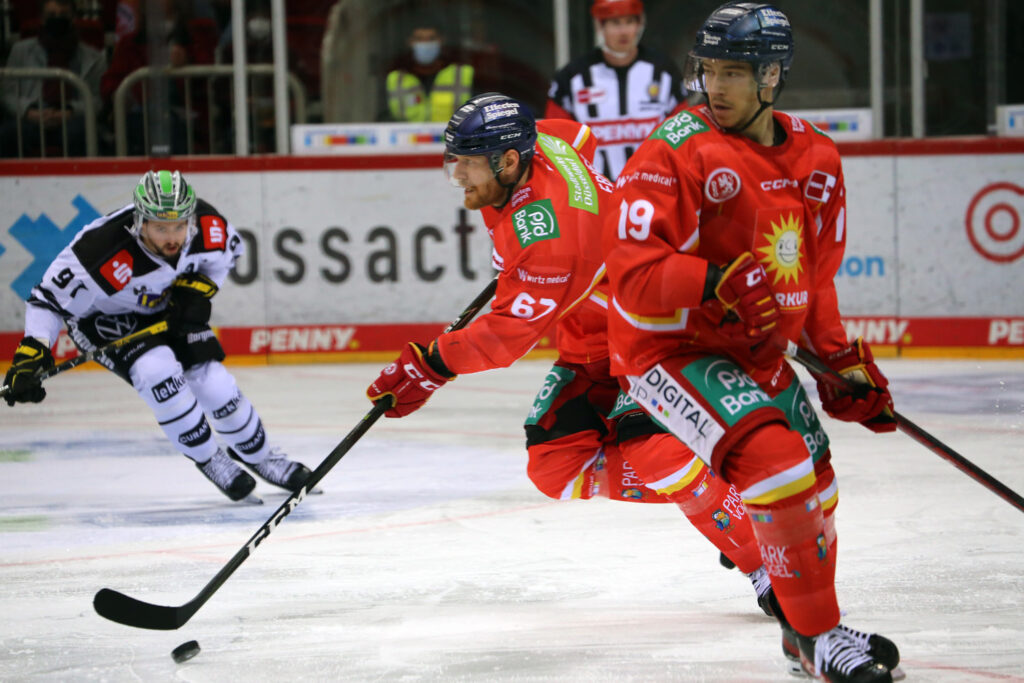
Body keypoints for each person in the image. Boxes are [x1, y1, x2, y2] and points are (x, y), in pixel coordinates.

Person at [365, 92, 773, 615]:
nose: (459, 176)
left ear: (509, 161)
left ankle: (760, 556)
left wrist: (432, 365)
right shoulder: (545, 144)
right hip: (596, 341)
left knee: (654, 450)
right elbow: (581, 136)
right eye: (456, 161)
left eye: (468, 164)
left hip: (663, 334)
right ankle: (717, 490)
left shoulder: (551, 240)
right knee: (557, 465)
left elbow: (507, 335)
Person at [601, 3, 901, 681]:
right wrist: (713, 283)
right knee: (776, 464)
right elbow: (631, 273)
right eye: (708, 70)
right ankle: (821, 637)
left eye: (733, 72)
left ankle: (802, 630)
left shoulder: (818, 155)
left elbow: (817, 278)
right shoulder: (675, 147)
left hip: (757, 353)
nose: (716, 86)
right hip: (669, 351)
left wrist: (841, 364)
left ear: (772, 76)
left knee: (816, 488)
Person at [3, 170, 312, 503]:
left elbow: (226, 257)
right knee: (158, 372)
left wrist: (196, 292)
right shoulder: (100, 249)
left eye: (179, 226)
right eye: (160, 228)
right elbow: (46, 301)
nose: (172, 237)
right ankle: (210, 458)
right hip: (103, 321)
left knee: (214, 384)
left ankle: (262, 456)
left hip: (166, 308)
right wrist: (31, 355)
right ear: (141, 221)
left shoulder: (207, 226)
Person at [545, 0, 685, 181]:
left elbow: (682, 133)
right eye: (615, 23)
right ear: (599, 26)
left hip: (653, 185)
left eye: (629, 21)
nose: (624, 31)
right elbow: (554, 139)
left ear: (640, 24)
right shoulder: (572, 77)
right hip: (594, 191)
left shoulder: (664, 72)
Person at [0, 0, 107, 158]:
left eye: (63, 15)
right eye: (51, 15)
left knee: (82, 132)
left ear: (73, 18)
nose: (57, 19)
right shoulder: (20, 51)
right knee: (7, 134)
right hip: (31, 115)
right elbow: (7, 92)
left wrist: (69, 112)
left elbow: (99, 99)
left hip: (73, 117)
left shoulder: (94, 57)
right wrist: (29, 112)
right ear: (42, 18)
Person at [384, 20, 473, 122]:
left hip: (450, 137)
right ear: (409, 42)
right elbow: (385, 118)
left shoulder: (462, 74)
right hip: (407, 137)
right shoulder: (396, 79)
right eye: (419, 39)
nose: (425, 43)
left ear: (442, 40)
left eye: (431, 38)